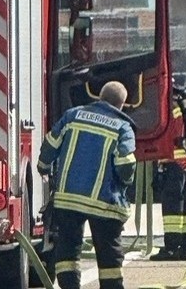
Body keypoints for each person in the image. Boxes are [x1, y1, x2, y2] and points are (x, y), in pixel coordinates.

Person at [37, 81, 137, 289]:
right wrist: (126, 184)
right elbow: (125, 165)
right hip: (105, 203)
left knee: (68, 252)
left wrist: (43, 167)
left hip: (68, 200)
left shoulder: (72, 116)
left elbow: (50, 145)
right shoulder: (122, 127)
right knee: (109, 256)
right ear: (122, 104)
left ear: (100, 96)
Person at [151, 73, 186, 261]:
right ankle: (185, 247)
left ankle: (172, 248)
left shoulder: (171, 106)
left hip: (174, 163)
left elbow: (170, 135)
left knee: (173, 209)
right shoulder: (182, 105)